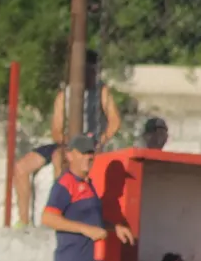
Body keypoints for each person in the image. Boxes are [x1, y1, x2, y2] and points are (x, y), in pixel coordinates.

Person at [13, 51, 121, 227]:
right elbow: (56, 128)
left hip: (90, 142)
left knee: (59, 159)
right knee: (21, 167)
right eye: (87, 71)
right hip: (66, 142)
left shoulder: (101, 91)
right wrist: (66, 142)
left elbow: (114, 121)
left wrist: (101, 140)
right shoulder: (65, 94)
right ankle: (24, 222)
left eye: (94, 71)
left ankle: (60, 212)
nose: (91, 76)